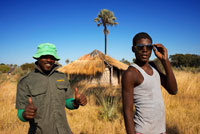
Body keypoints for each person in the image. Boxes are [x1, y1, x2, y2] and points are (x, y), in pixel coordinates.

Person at [16, 43, 87, 134]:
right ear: (38, 58)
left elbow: (67, 101)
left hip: (64, 131)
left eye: (52, 57)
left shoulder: (62, 77)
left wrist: (75, 102)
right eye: (45, 56)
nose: (49, 60)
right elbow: (20, 113)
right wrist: (25, 115)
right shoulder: (26, 81)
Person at [122, 32, 178, 134]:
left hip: (160, 130)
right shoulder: (131, 74)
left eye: (148, 47)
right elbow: (127, 110)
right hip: (143, 131)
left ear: (152, 49)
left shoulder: (154, 66)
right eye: (140, 47)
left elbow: (173, 90)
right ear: (133, 49)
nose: (145, 50)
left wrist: (165, 61)